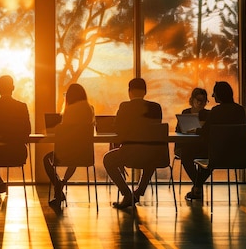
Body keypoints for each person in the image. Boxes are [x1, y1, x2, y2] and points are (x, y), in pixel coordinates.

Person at [103, 77, 163, 209]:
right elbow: (155, 131)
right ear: (145, 91)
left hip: (130, 153)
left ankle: (127, 193)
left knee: (108, 159)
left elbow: (118, 129)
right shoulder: (156, 108)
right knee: (151, 155)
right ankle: (139, 191)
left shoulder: (125, 107)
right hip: (152, 154)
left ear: (129, 92)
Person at [184, 81, 246, 201]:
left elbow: (205, 131)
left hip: (216, 155)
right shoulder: (240, 110)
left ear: (219, 94)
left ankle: (197, 187)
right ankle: (197, 186)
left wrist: (195, 130)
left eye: (214, 93)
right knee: (208, 154)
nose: (212, 96)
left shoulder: (216, 111)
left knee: (192, 155)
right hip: (237, 155)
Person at [43, 83, 95, 206]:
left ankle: (58, 186)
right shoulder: (89, 109)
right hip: (84, 154)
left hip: (67, 152)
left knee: (46, 159)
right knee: (75, 158)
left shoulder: (69, 110)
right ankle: (61, 185)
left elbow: (64, 132)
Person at [0, 75, 31, 196]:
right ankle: (0, 183)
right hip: (17, 154)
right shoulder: (22, 106)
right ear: (13, 88)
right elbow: (27, 131)